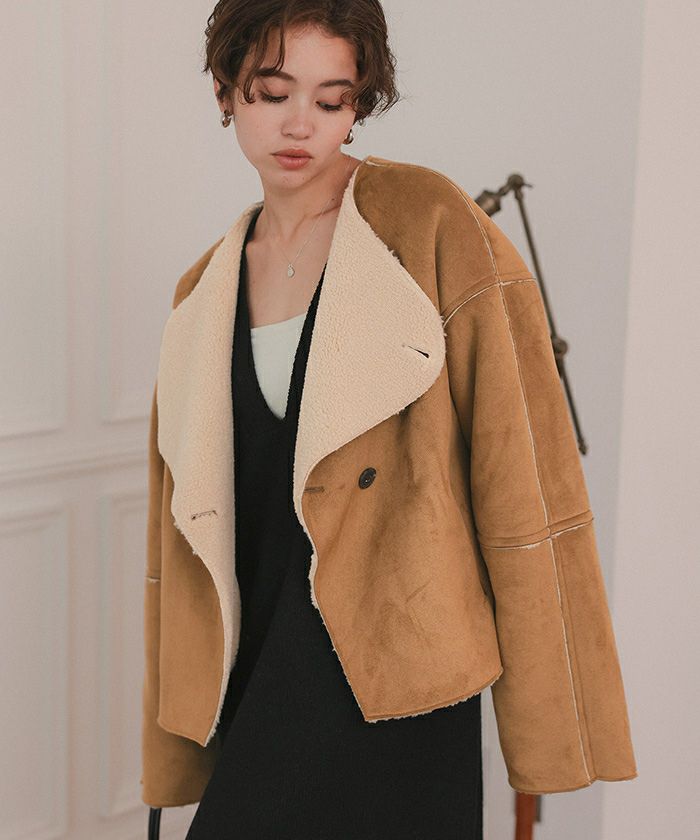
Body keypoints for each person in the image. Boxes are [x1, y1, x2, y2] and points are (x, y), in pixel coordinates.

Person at [140, 1, 637, 837]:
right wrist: (172, 747)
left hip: (394, 674)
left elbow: (525, 477)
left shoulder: (429, 225)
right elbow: (177, 540)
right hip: (252, 666)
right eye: (273, 93)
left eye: (333, 100)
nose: (302, 124)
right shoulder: (202, 290)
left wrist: (549, 727)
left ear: (359, 103)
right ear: (226, 90)